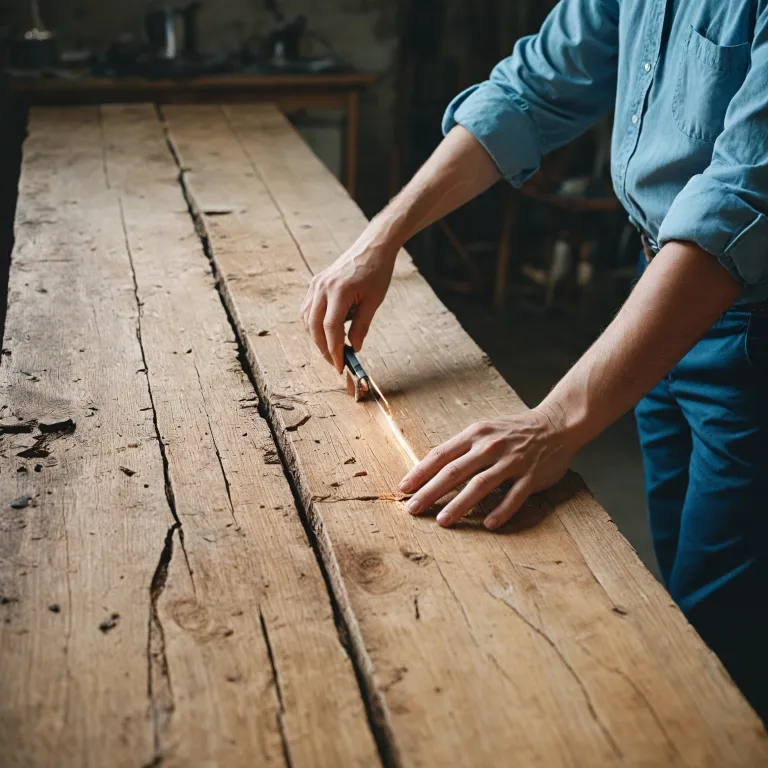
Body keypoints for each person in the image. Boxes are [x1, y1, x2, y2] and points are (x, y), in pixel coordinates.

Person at [300, 0, 768, 722]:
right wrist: (382, 237)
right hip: (659, 298)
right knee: (683, 595)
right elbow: (532, 88)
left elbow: (740, 202)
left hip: (746, 326)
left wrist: (554, 423)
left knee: (728, 627)